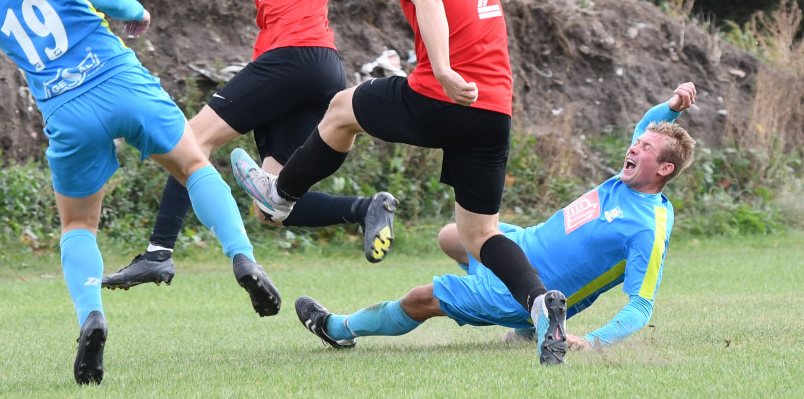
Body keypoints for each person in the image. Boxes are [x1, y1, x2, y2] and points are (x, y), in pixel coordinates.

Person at [231, 0, 568, 365]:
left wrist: (445, 69)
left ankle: (280, 195)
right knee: (481, 235)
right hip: (494, 106)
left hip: (441, 95)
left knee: (341, 108)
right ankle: (541, 305)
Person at [0, 0, 280, 386]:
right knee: (194, 165)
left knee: (78, 225)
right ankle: (243, 260)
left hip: (66, 111)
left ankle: (92, 317)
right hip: (118, 80)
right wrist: (136, 12)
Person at [101, 0, 396, 291]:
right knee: (272, 207)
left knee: (189, 141)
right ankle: (365, 209)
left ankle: (158, 254)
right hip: (314, 71)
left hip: (296, 56)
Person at [294, 81, 697, 357]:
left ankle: (337, 328)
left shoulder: (647, 228)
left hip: (519, 293)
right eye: (638, 143)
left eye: (646, 148)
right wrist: (672, 109)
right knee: (452, 236)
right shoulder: (628, 178)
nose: (635, 146)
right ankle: (528, 330)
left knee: (421, 299)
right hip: (519, 243)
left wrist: (591, 342)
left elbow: (641, 307)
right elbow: (645, 125)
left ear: (664, 169)